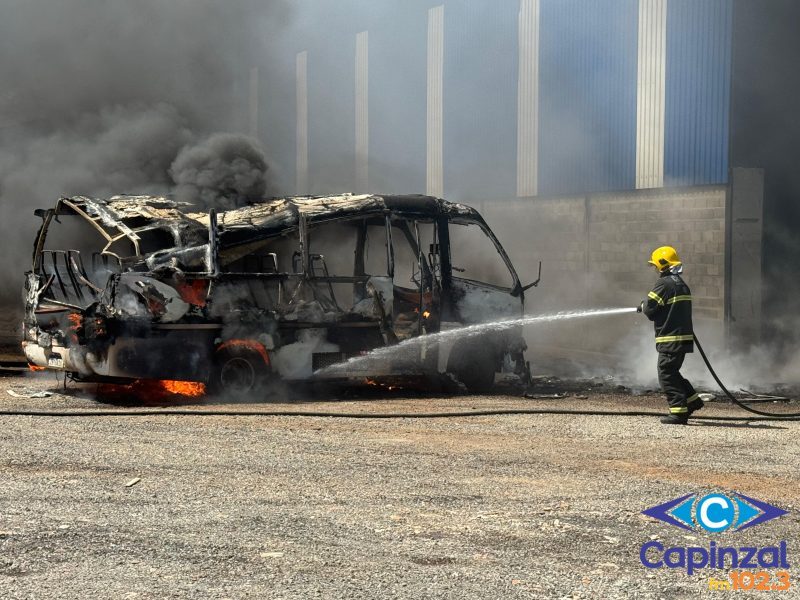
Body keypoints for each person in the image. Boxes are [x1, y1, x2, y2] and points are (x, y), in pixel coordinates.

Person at [638, 246, 703, 425]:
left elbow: (651, 310)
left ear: (661, 264)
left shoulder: (664, 284)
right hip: (681, 338)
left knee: (666, 373)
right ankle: (692, 400)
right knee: (672, 371)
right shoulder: (681, 284)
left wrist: (643, 305)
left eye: (655, 266)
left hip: (670, 339)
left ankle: (678, 412)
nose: (655, 269)